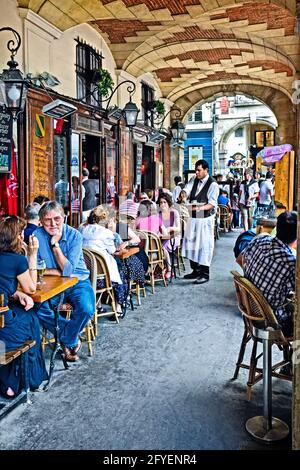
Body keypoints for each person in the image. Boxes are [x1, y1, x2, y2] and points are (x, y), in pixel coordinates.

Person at [34, 201, 95, 362]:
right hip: (51, 283)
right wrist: (58, 271)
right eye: (47, 220)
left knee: (87, 308)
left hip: (78, 282)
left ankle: (66, 339)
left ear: (64, 217)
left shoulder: (75, 235)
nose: (53, 224)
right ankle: (72, 339)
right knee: (37, 308)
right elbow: (35, 267)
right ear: (41, 221)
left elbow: (68, 272)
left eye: (57, 219)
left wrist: (55, 245)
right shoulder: (37, 236)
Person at [0, 216, 48, 397]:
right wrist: (33, 255)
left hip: (3, 315)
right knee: (31, 320)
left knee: (20, 317)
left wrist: (15, 293)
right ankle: (28, 380)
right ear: (17, 237)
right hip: (3, 331)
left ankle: (9, 382)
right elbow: (31, 288)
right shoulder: (17, 260)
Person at [242, 211, 297, 337]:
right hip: (272, 323)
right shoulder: (291, 263)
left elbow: (243, 259)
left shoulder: (260, 241)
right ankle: (295, 356)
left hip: (250, 311)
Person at [182, 159, 219, 284]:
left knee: (204, 245)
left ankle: (204, 273)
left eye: (199, 170)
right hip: (193, 218)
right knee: (191, 243)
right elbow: (187, 189)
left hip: (205, 219)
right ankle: (195, 270)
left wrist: (198, 208)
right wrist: (183, 193)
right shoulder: (194, 179)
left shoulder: (213, 184)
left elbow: (212, 204)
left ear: (206, 170)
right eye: (196, 170)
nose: (196, 172)